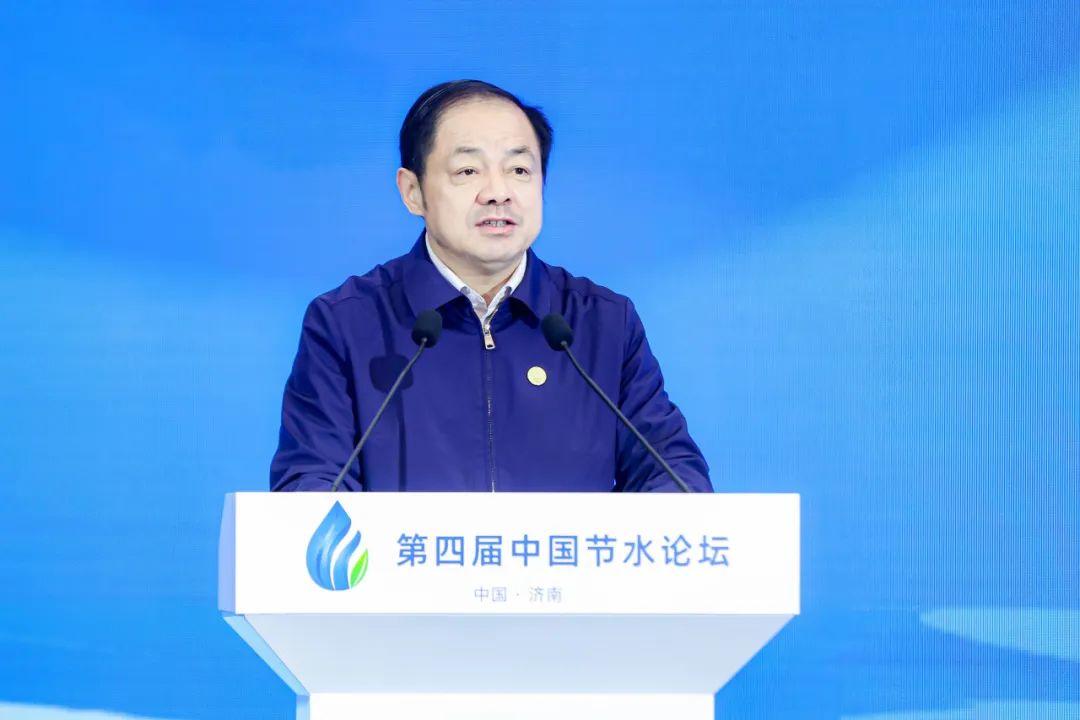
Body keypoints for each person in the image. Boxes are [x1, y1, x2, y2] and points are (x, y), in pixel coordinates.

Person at [270, 79, 711, 493]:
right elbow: (311, 489)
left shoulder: (602, 323)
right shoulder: (347, 323)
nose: (498, 192)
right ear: (413, 192)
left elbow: (674, 474)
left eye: (519, 169)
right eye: (468, 171)